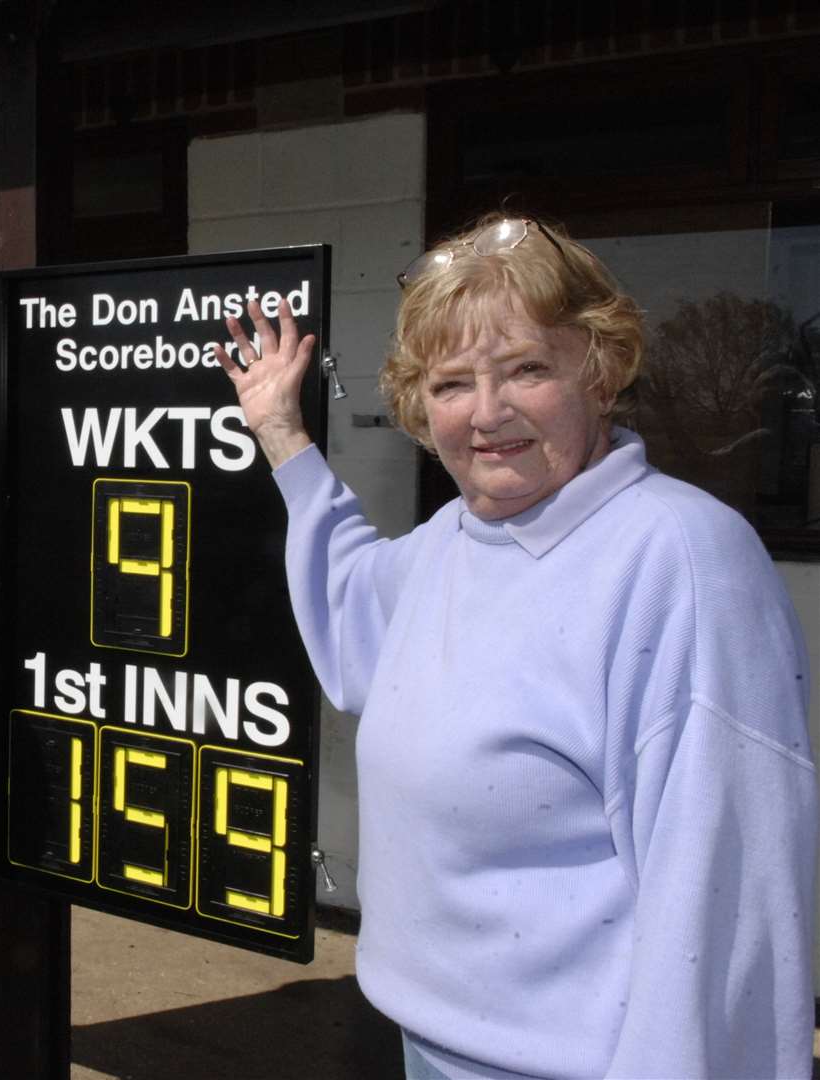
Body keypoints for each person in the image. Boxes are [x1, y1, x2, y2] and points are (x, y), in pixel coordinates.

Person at [216, 214, 816, 1079]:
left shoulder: (680, 563)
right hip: (428, 1042)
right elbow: (355, 619)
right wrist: (281, 432)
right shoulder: (453, 542)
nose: (487, 414)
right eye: (452, 383)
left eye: (528, 369)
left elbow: (723, 914)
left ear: (603, 373)